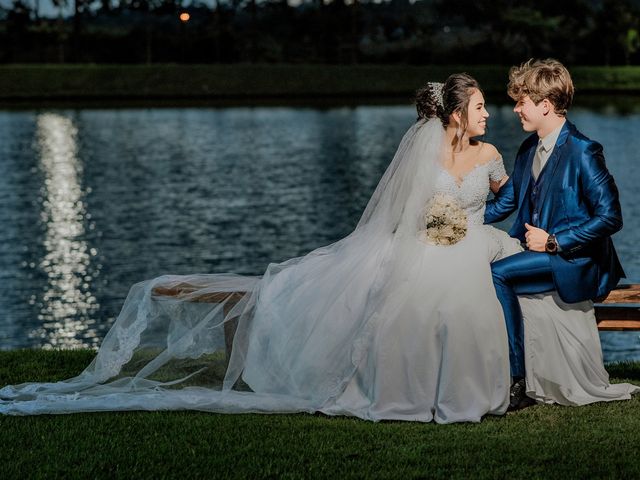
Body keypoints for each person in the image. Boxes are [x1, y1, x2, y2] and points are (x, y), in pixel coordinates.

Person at [1, 73, 521, 423]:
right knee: (396, 290)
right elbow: (400, 212)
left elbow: (506, 199)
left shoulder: (492, 153)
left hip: (473, 239)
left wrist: (469, 224)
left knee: (458, 291)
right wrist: (435, 227)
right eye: (478, 106)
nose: (488, 114)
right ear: (454, 114)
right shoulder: (422, 154)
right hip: (428, 241)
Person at [485, 59, 639, 409]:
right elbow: (505, 203)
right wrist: (459, 219)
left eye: (521, 101)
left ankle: (517, 380)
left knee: (497, 275)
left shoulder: (584, 151)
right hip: (540, 254)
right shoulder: (528, 149)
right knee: (479, 270)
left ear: (545, 105)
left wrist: (554, 242)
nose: (515, 109)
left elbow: (611, 217)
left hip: (576, 258)